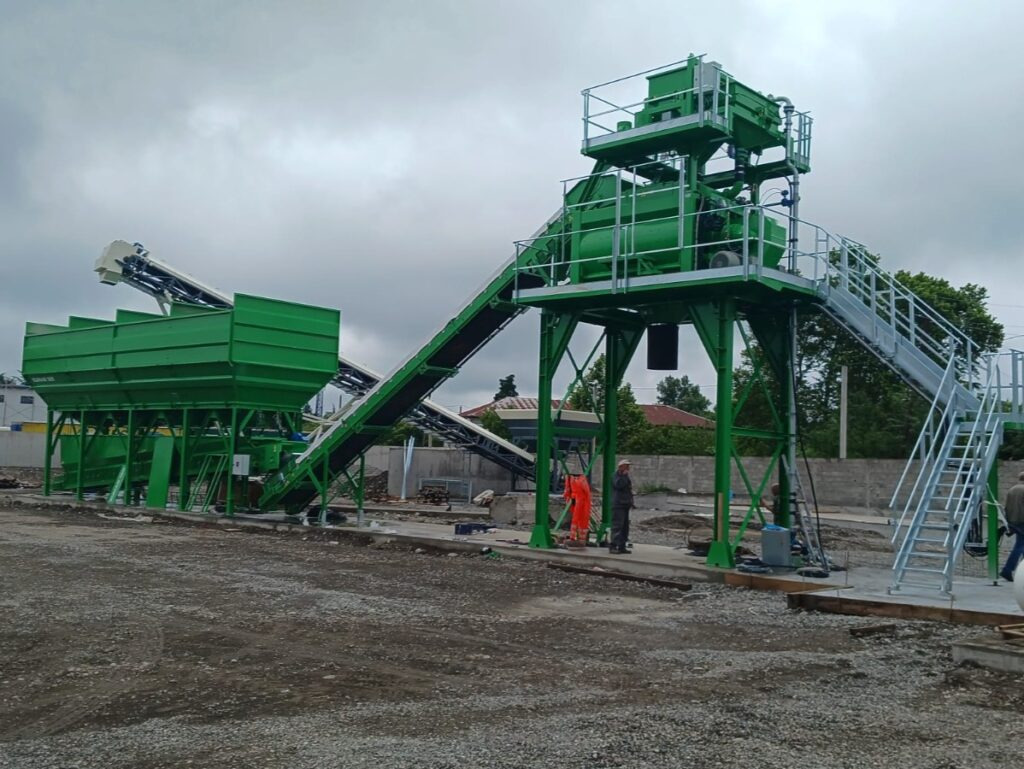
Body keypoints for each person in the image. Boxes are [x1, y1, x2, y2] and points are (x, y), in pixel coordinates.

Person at [1000, 471, 1024, 582]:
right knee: (1020, 546)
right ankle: (1007, 569)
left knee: (1020, 545)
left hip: (1013, 521)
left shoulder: (1012, 489)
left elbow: (1007, 506)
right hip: (1022, 520)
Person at [610, 459, 633, 554]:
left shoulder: (625, 476)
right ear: (621, 467)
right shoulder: (616, 475)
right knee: (617, 526)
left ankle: (622, 546)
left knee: (624, 527)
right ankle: (613, 546)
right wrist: (623, 476)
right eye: (626, 466)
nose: (628, 468)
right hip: (618, 504)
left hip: (625, 504)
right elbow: (619, 485)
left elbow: (627, 489)